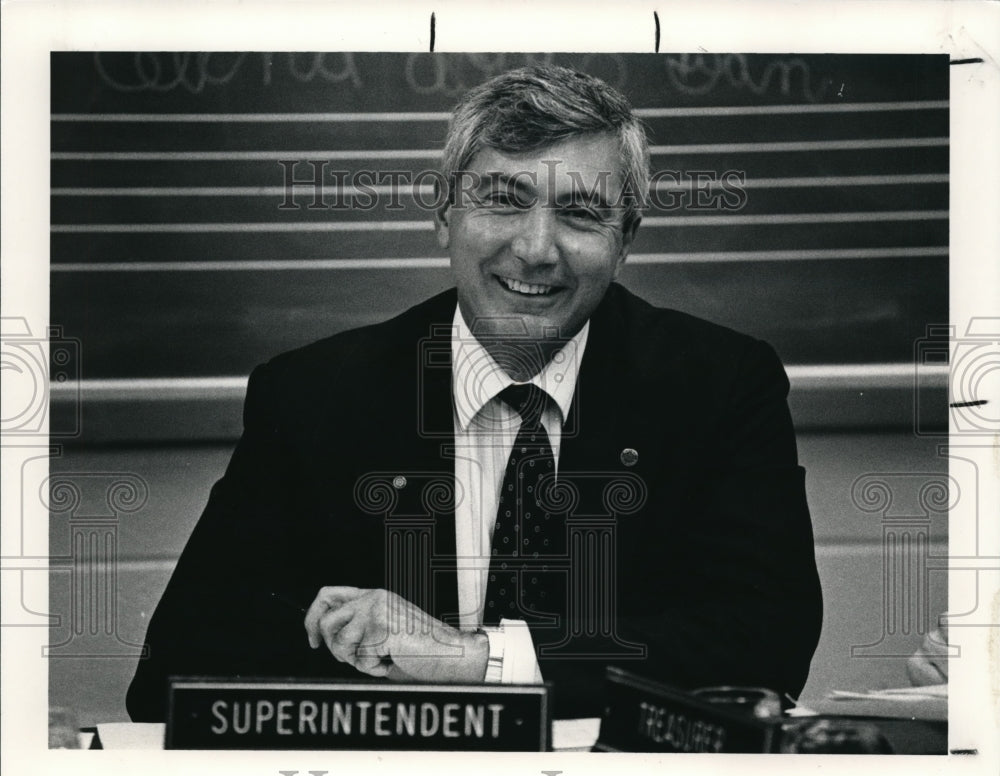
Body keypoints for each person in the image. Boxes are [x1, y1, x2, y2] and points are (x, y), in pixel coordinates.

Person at [127, 63, 823, 722]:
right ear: (443, 216)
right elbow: (180, 668)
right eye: (503, 201)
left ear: (626, 238)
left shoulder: (720, 386)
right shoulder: (313, 396)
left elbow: (766, 643)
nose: (536, 249)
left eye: (581, 213)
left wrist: (476, 661)